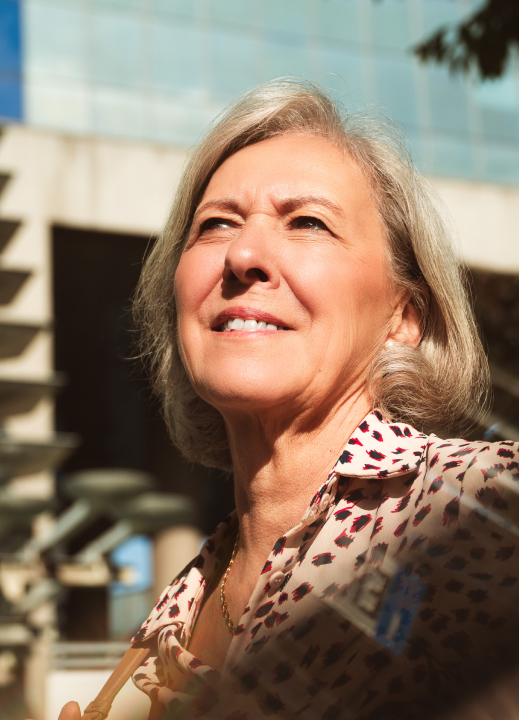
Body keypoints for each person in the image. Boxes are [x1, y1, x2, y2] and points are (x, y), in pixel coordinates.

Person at [58, 79, 519, 720]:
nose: (244, 254)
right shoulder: (175, 611)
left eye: (308, 222)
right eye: (215, 225)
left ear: (403, 316)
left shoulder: (482, 504)